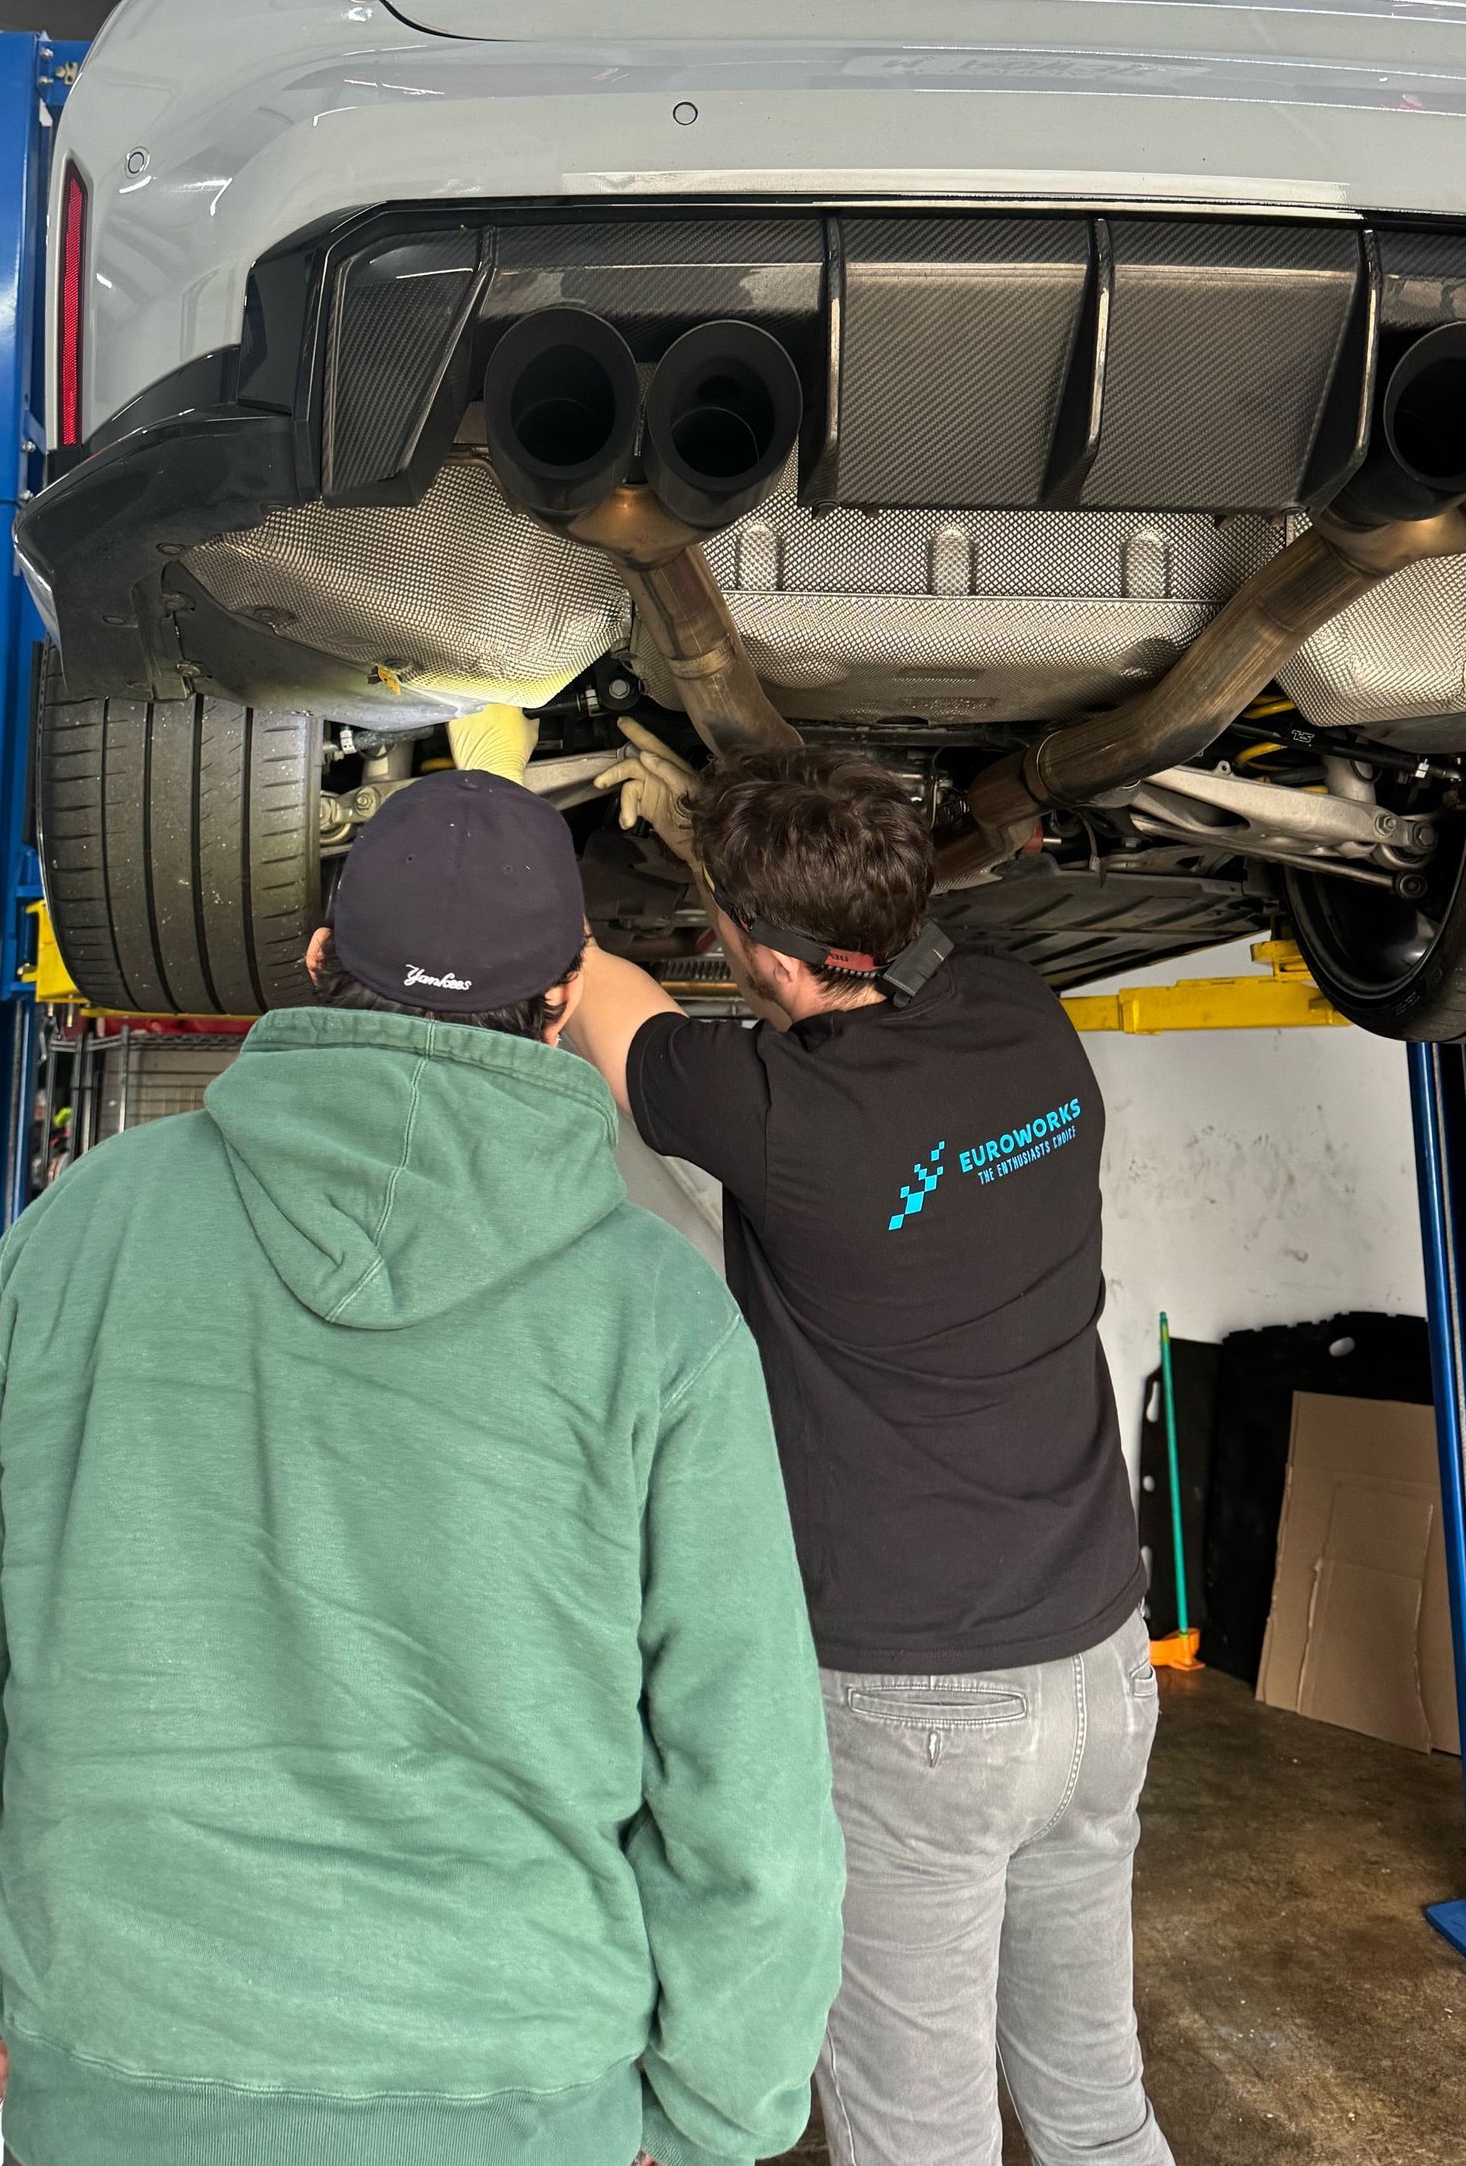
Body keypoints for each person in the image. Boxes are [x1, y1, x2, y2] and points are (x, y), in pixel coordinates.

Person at [0, 769, 844, 2166]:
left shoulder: (76, 1234)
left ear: (321, 959)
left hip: (122, 2069)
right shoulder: (661, 1315)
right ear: (566, 999)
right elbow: (751, 1796)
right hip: (515, 2096)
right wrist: (713, 2120)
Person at [571, 737, 1173, 2166]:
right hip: (1102, 1667)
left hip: (921, 1712)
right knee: (1097, 2104)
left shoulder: (786, 1125)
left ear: (770, 963)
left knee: (923, 2138)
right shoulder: (1031, 1024)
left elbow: (602, 995)